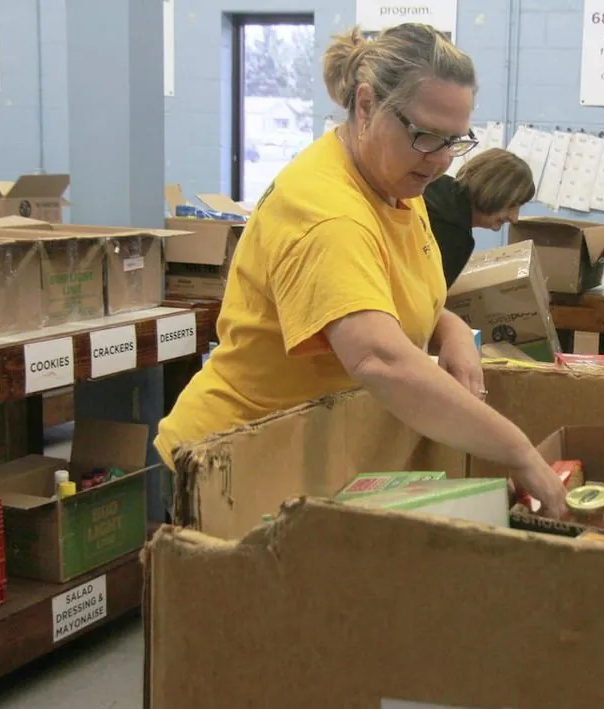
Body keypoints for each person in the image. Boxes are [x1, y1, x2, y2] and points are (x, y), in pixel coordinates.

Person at [155, 24, 566, 513]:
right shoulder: (326, 210)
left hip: (309, 453)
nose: (439, 160)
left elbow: (392, 295)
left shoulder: (397, 183)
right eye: (426, 135)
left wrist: (450, 330)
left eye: (454, 141)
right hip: (228, 465)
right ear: (367, 106)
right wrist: (518, 451)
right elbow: (379, 357)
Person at [424, 147, 535, 287]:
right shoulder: (454, 234)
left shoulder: (437, 186)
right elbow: (429, 303)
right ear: (493, 192)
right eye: (513, 205)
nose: (514, 218)